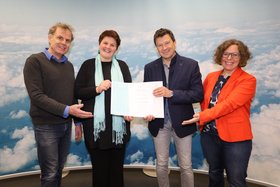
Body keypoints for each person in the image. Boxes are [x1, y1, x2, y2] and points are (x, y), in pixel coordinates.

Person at [23, 22, 93, 187]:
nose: (64, 43)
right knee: (50, 173)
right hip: (46, 126)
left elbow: (71, 95)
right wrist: (68, 110)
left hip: (65, 125)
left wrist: (77, 122)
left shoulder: (68, 66)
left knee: (59, 169)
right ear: (50, 38)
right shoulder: (34, 61)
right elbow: (36, 96)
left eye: (68, 40)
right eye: (60, 38)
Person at [182, 39, 256, 187]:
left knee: (236, 180)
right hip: (209, 135)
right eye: (226, 54)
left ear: (241, 57)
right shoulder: (211, 77)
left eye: (234, 55)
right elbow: (202, 101)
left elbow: (229, 105)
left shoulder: (248, 80)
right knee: (214, 174)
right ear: (220, 56)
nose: (229, 58)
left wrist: (202, 116)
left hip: (236, 139)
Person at [144, 28, 204, 187]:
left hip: (183, 122)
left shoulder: (191, 65)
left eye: (167, 43)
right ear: (156, 48)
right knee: (162, 165)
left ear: (174, 42)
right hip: (159, 124)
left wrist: (172, 93)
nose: (164, 47)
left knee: (185, 166)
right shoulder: (150, 68)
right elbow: (147, 95)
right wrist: (147, 112)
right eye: (160, 45)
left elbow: (198, 94)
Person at [74, 30, 133, 187]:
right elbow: (78, 91)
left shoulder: (122, 66)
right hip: (96, 129)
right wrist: (97, 89)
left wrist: (130, 111)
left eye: (112, 44)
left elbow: (129, 94)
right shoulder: (88, 65)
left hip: (118, 130)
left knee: (116, 173)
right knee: (99, 173)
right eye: (105, 43)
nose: (108, 47)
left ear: (116, 48)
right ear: (99, 44)